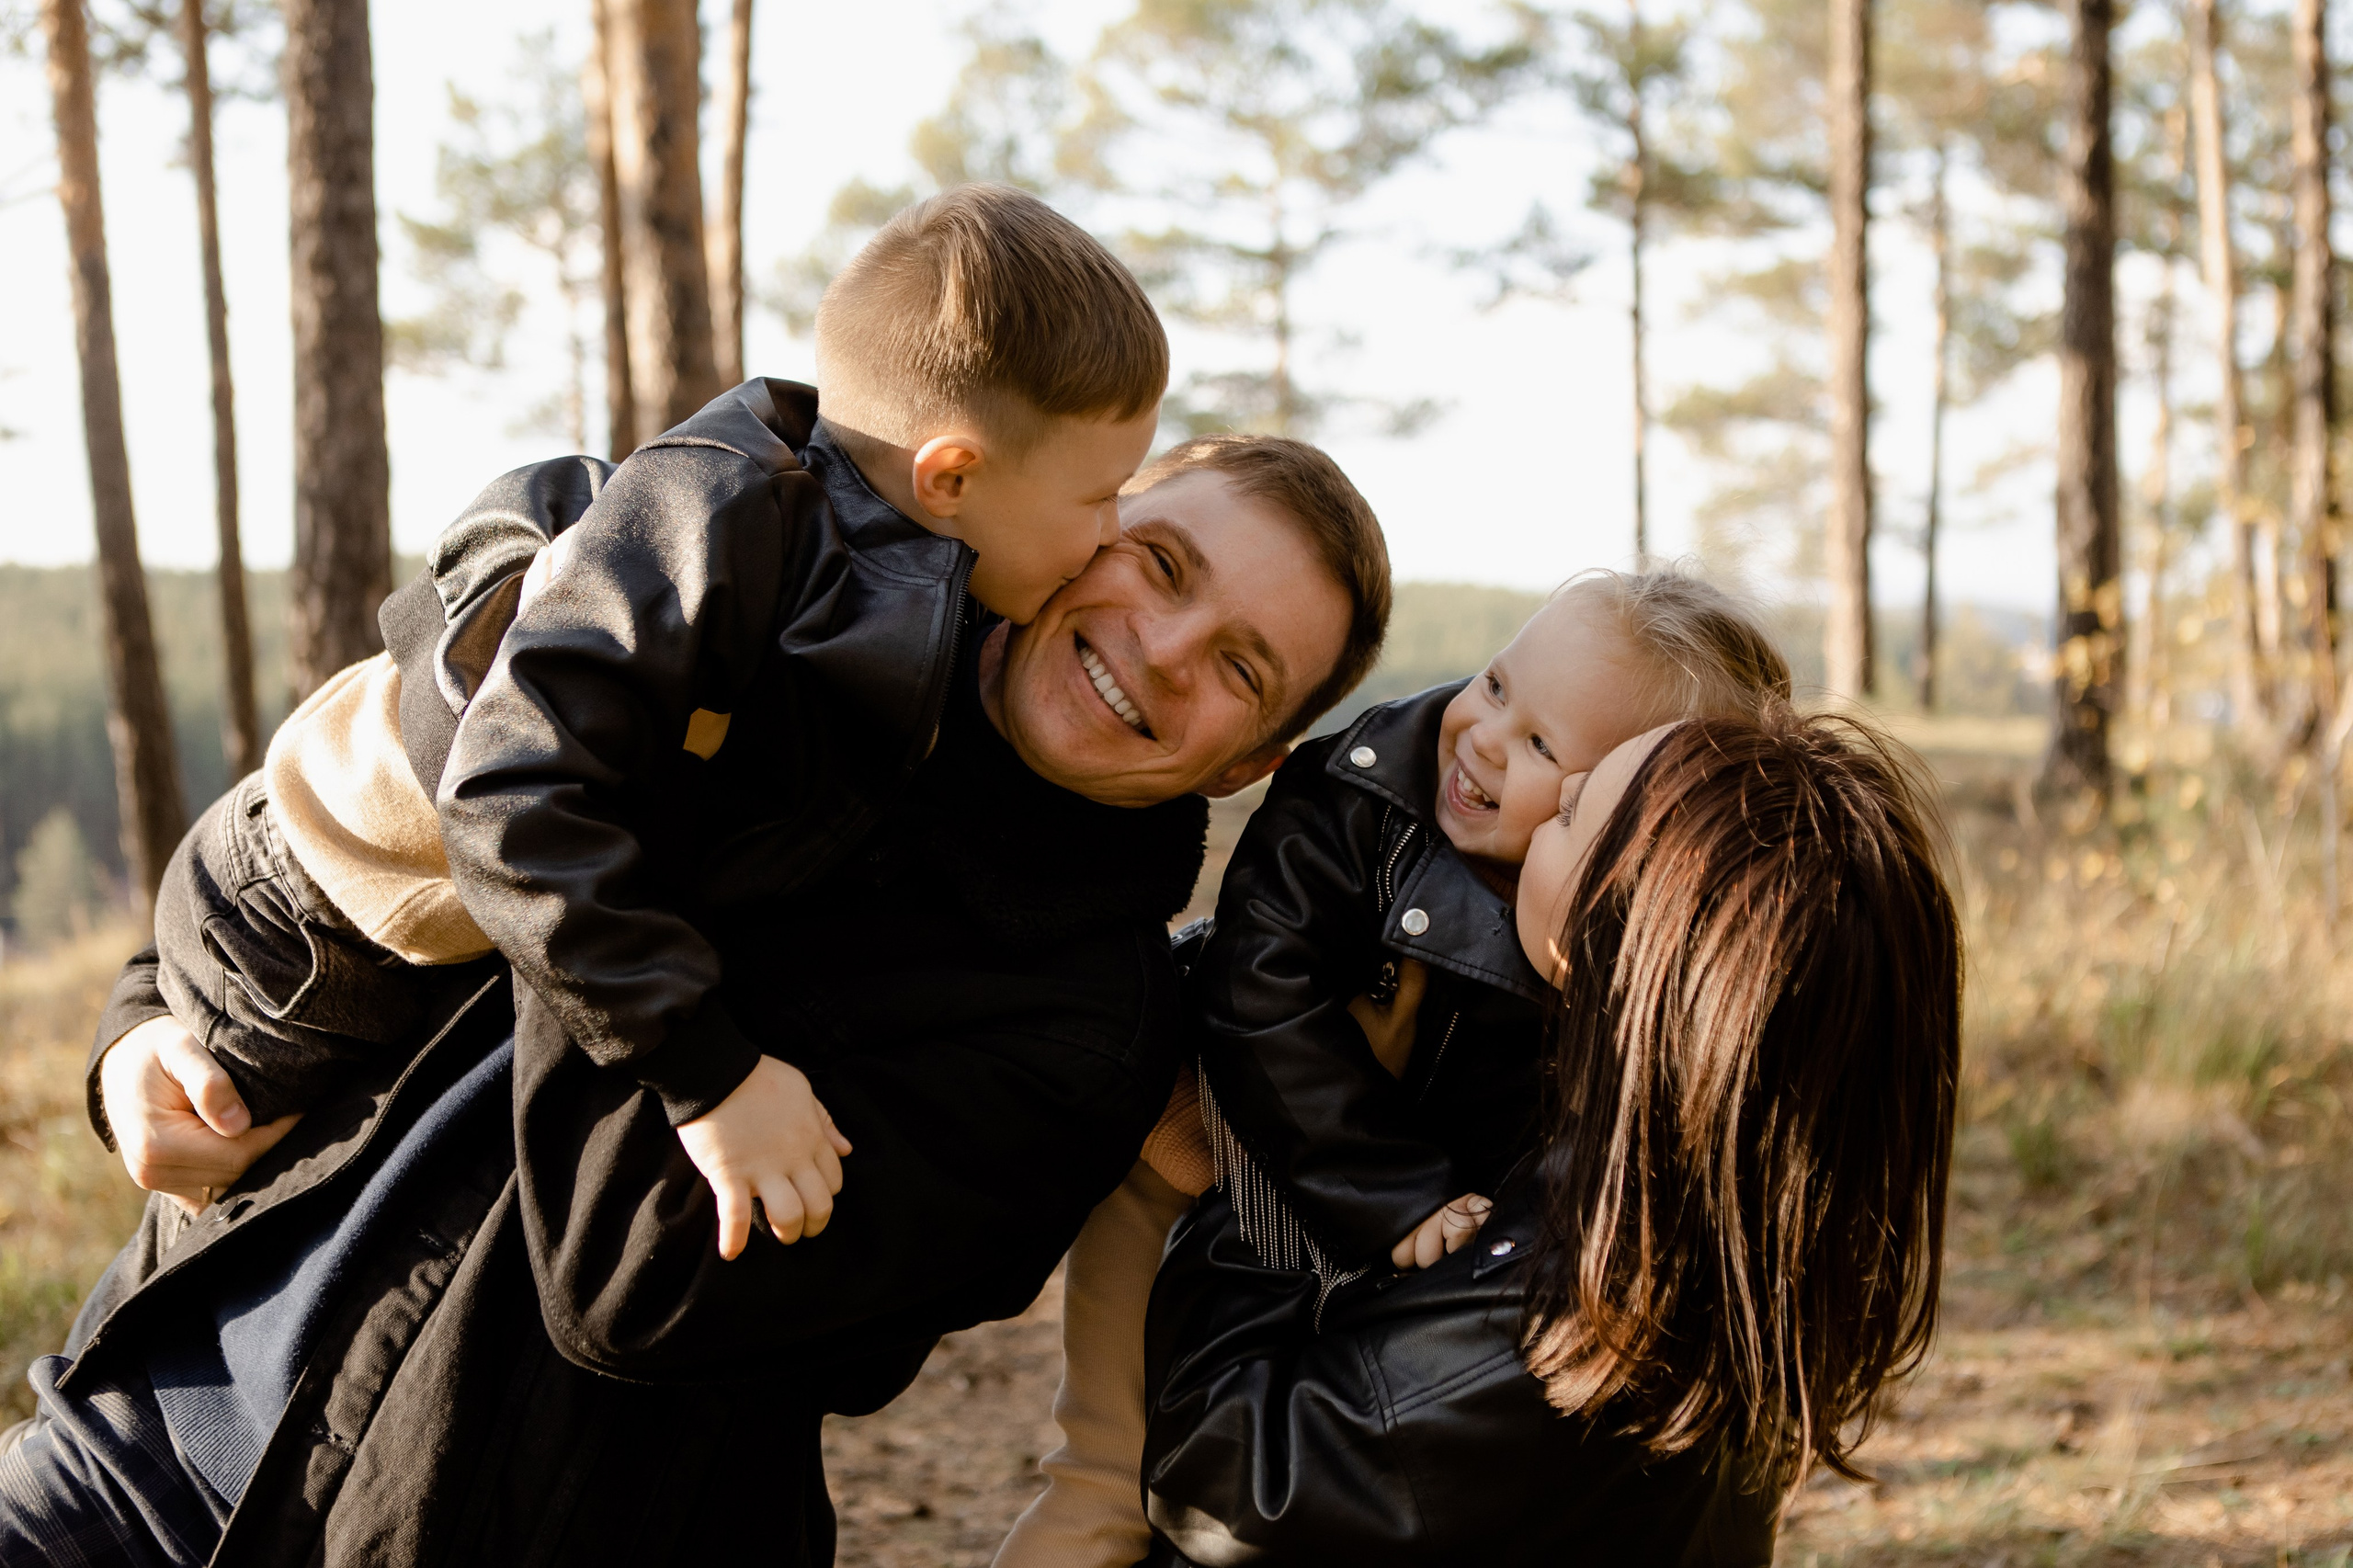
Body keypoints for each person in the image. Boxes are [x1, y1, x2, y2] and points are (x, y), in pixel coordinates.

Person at [3, 414, 1389, 1564]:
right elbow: (338, 834)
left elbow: (637, 1280)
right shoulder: (775, 627)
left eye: (1239, 667)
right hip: (138, 1421)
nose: (1159, 645)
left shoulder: (1081, 1033)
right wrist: (139, 1041)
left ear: (1242, 767)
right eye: (1159, 562)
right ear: (1086, 530)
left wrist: (589, 818)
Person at [995, 570, 1790, 1568]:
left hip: (1391, 1243)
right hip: (1217, 1156)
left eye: (1547, 750)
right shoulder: (1368, 794)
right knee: (1107, 1480)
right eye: (1495, 684)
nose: (1486, 737)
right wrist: (1388, 1194)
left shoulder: (1612, 957)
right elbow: (1257, 992)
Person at [1137, 706, 1962, 1563]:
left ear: (1603, 945)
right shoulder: (1743, 1223)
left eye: (1574, 814)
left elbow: (1221, 1479)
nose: (1558, 790)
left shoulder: (1556, 1319)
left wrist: (1284, 1169)